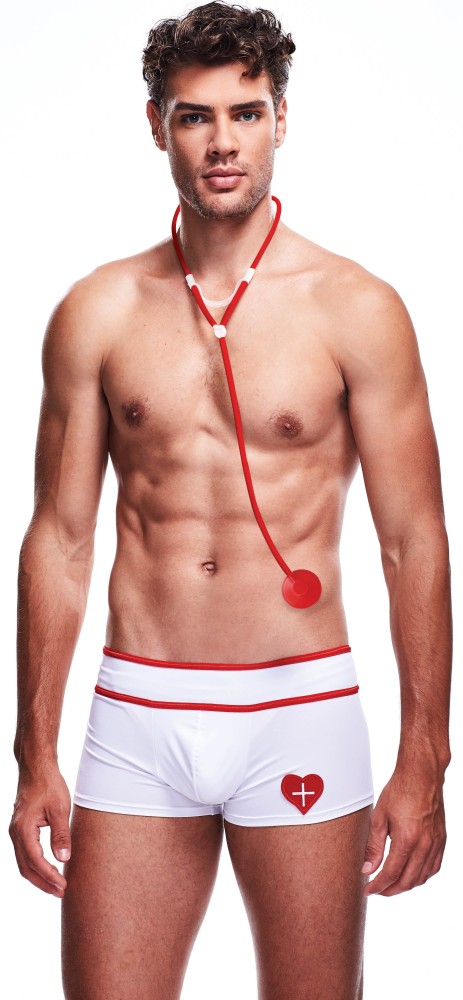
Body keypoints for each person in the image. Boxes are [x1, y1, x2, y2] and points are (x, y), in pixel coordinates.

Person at [9, 2, 452, 998]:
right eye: (195, 116)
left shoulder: (356, 309)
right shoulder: (97, 311)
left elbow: (412, 541)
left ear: (281, 118)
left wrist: (425, 757)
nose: (222, 142)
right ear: (156, 124)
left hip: (298, 707)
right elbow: (61, 540)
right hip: (139, 711)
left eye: (246, 114)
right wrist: (33, 752)